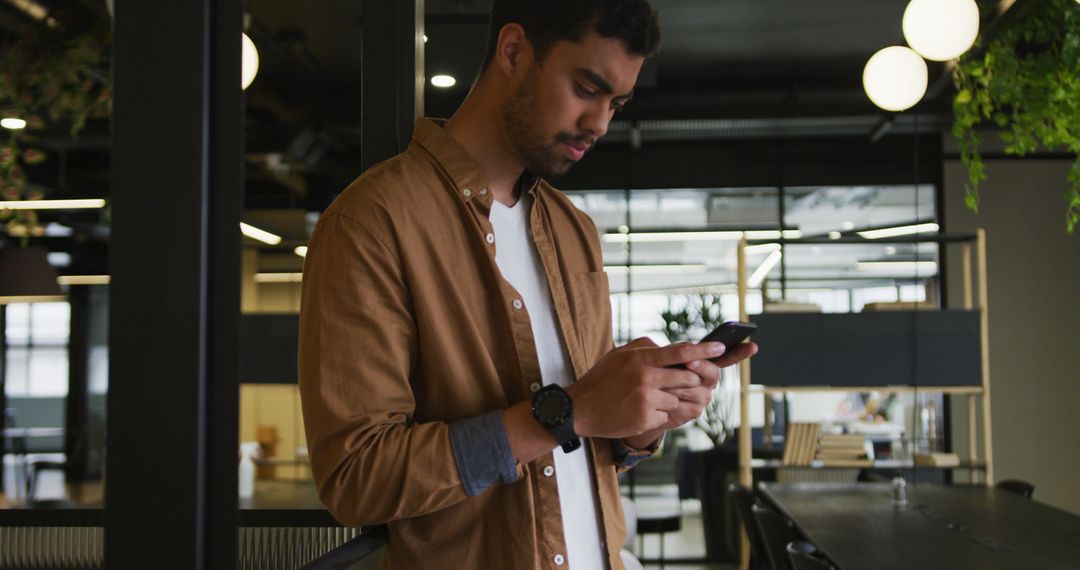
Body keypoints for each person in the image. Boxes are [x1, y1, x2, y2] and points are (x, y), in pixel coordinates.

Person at [298, 1, 758, 568]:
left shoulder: (574, 231)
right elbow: (356, 478)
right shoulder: (373, 222)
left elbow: (580, 446)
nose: (600, 124)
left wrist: (643, 420)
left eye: (615, 102)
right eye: (587, 87)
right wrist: (568, 413)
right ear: (514, 50)